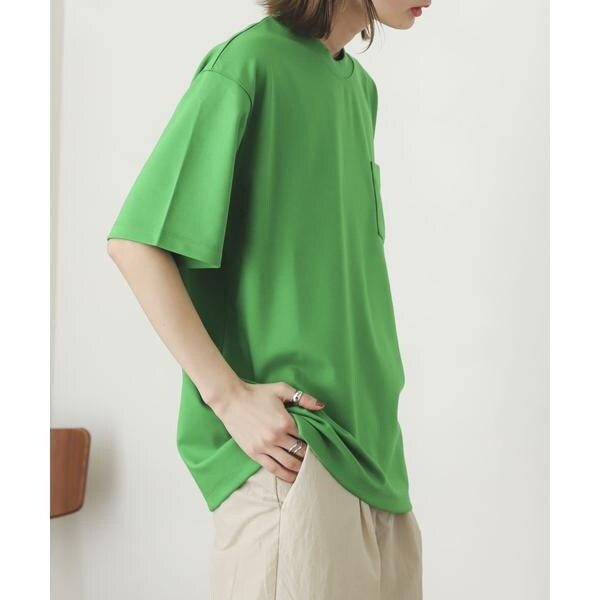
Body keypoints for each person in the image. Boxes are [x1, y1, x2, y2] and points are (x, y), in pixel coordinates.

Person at [107, 1, 430, 598]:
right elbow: (136, 245)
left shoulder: (360, 90)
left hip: (378, 461)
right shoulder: (248, 65)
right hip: (294, 461)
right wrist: (229, 398)